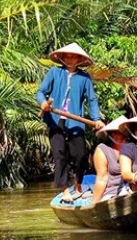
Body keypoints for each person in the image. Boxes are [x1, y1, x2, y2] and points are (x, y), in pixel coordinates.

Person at [36, 42, 104, 203]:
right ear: (63, 57)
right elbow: (40, 92)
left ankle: (78, 183)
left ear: (79, 59)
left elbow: (92, 99)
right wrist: (43, 103)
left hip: (75, 121)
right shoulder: (54, 72)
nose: (71, 59)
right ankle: (65, 190)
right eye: (68, 56)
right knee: (60, 155)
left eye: (74, 57)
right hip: (55, 120)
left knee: (80, 155)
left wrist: (97, 119)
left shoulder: (84, 77)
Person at [90, 116, 129, 204]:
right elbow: (102, 178)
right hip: (113, 192)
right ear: (110, 133)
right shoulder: (103, 149)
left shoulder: (132, 147)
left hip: (132, 188)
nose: (119, 135)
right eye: (116, 132)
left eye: (123, 132)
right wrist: (94, 204)